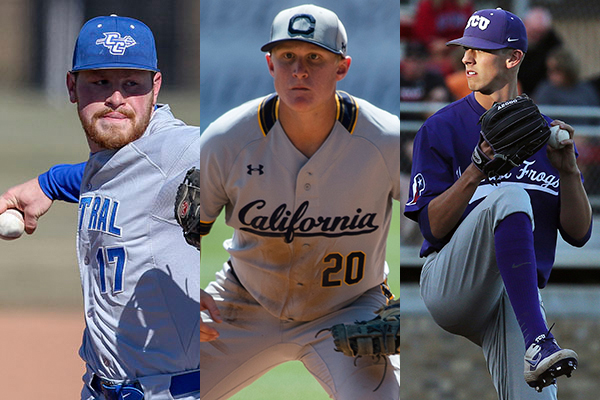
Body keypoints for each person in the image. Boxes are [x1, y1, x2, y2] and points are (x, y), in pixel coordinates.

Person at [199, 4, 400, 400]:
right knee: (160, 389)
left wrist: (418, 302)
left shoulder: (384, 141)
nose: (299, 71)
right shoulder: (227, 140)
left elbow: (436, 223)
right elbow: (180, 228)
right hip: (241, 304)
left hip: (351, 309)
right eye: (286, 57)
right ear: (270, 65)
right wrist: (182, 287)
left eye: (314, 57)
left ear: (342, 67)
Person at [0, 15, 200, 399]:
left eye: (131, 83)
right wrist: (51, 183)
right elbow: (119, 177)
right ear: (72, 86)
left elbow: (242, 155)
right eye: (100, 82)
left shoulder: (179, 150)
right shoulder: (121, 158)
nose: (116, 98)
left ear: (155, 87)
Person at [405, 8, 592, 400]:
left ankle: (535, 340)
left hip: (515, 300)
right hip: (452, 282)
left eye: (480, 49)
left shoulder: (546, 134)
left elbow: (579, 234)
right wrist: (475, 170)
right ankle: (540, 338)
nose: (466, 58)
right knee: (510, 195)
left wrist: (569, 170)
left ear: (513, 58)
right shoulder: (442, 127)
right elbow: (432, 229)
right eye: (465, 48)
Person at [518, 7, 563, 95]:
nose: (536, 36)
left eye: (540, 33)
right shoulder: (512, 40)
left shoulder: (552, 46)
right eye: (533, 32)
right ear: (525, 25)